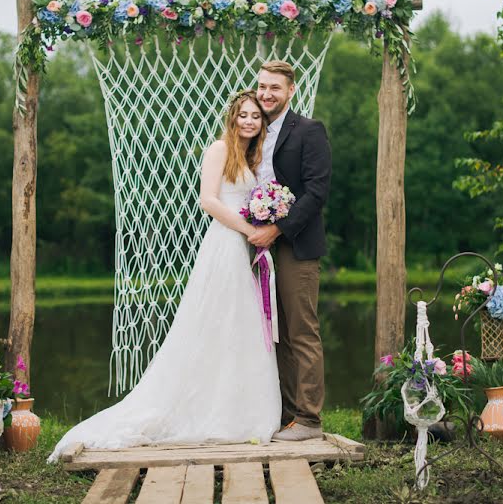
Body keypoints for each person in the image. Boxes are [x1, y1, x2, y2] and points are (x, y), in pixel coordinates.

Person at [48, 90, 280, 462]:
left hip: (244, 246)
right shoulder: (220, 149)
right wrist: (247, 229)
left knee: (240, 326)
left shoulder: (255, 156)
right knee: (217, 323)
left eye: (256, 116)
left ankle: (237, 407)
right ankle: (203, 409)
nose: (250, 121)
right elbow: (209, 200)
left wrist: (262, 223)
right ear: (233, 117)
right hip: (225, 244)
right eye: (244, 115)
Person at [248, 60, 332, 441]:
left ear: (291, 91)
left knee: (301, 332)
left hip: (295, 245)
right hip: (257, 248)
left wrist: (277, 229)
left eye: (275, 88)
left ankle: (310, 419)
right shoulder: (252, 131)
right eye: (262, 86)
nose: (266, 94)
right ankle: (286, 415)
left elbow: (317, 191)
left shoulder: (309, 131)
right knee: (274, 333)